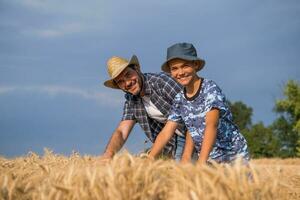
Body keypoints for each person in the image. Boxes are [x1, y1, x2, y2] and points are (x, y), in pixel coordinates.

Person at [148, 43, 250, 165]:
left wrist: (201, 161)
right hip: (210, 159)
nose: (180, 72)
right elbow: (167, 131)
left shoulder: (210, 89)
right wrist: (149, 159)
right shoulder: (179, 99)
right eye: (174, 68)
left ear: (195, 65)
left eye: (185, 66)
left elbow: (211, 125)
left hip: (233, 156)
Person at [100, 55, 195, 162]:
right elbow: (121, 132)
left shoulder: (162, 83)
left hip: (201, 131)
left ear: (137, 69)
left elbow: (194, 118)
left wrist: (186, 157)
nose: (127, 83)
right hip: (177, 139)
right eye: (120, 81)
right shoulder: (131, 99)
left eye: (128, 75)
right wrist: (108, 154)